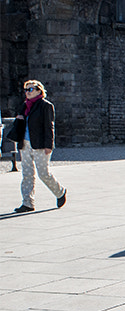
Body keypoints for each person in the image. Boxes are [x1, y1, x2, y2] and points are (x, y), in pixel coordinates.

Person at [11, 80, 67, 213]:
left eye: (30, 89)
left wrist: (49, 145)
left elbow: (49, 127)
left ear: (39, 90)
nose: (27, 92)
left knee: (44, 174)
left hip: (40, 144)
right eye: (26, 90)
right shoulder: (24, 106)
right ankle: (27, 203)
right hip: (24, 143)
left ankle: (60, 192)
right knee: (27, 174)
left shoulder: (46, 106)